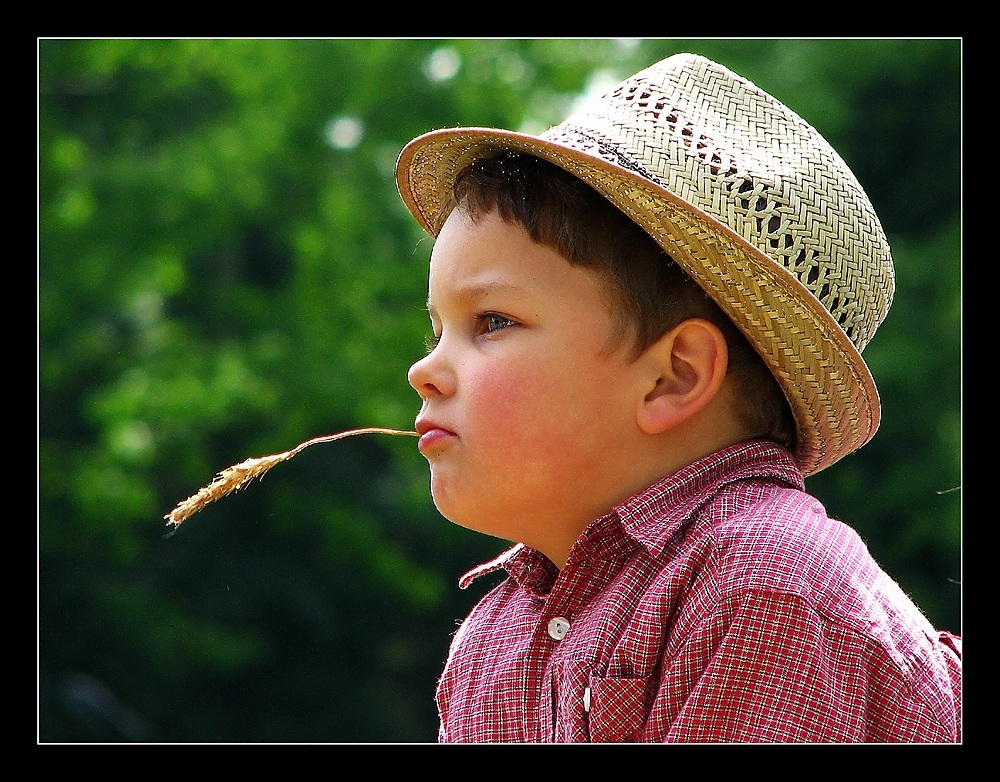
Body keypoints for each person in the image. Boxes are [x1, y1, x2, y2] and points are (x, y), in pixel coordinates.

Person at [395, 52, 961, 743]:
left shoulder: (767, 586)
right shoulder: (495, 640)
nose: (426, 370)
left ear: (674, 377)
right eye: (437, 329)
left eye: (492, 322)